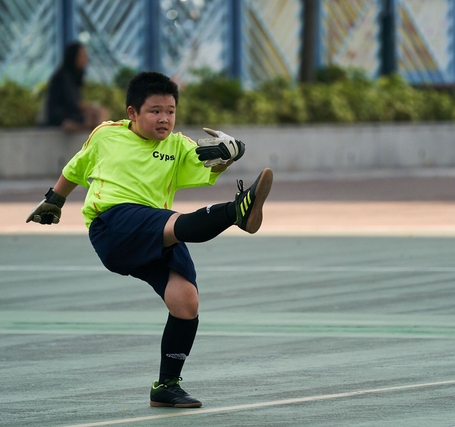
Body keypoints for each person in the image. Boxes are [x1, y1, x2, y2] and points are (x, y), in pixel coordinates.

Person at [26, 71, 273, 408]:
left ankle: (166, 385)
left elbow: (205, 163)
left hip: (153, 228)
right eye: (155, 111)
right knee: (176, 224)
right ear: (132, 113)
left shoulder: (177, 146)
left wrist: (228, 153)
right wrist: (54, 200)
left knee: (186, 302)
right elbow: (74, 169)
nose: (165, 119)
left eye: (170, 111)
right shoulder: (106, 136)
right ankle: (235, 211)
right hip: (111, 224)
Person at [43, 42, 108, 132]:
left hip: (70, 114)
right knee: (100, 112)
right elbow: (75, 103)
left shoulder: (73, 76)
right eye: (82, 56)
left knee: (100, 113)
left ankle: (98, 133)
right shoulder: (64, 76)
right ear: (73, 57)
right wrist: (94, 106)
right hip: (61, 117)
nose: (86, 59)